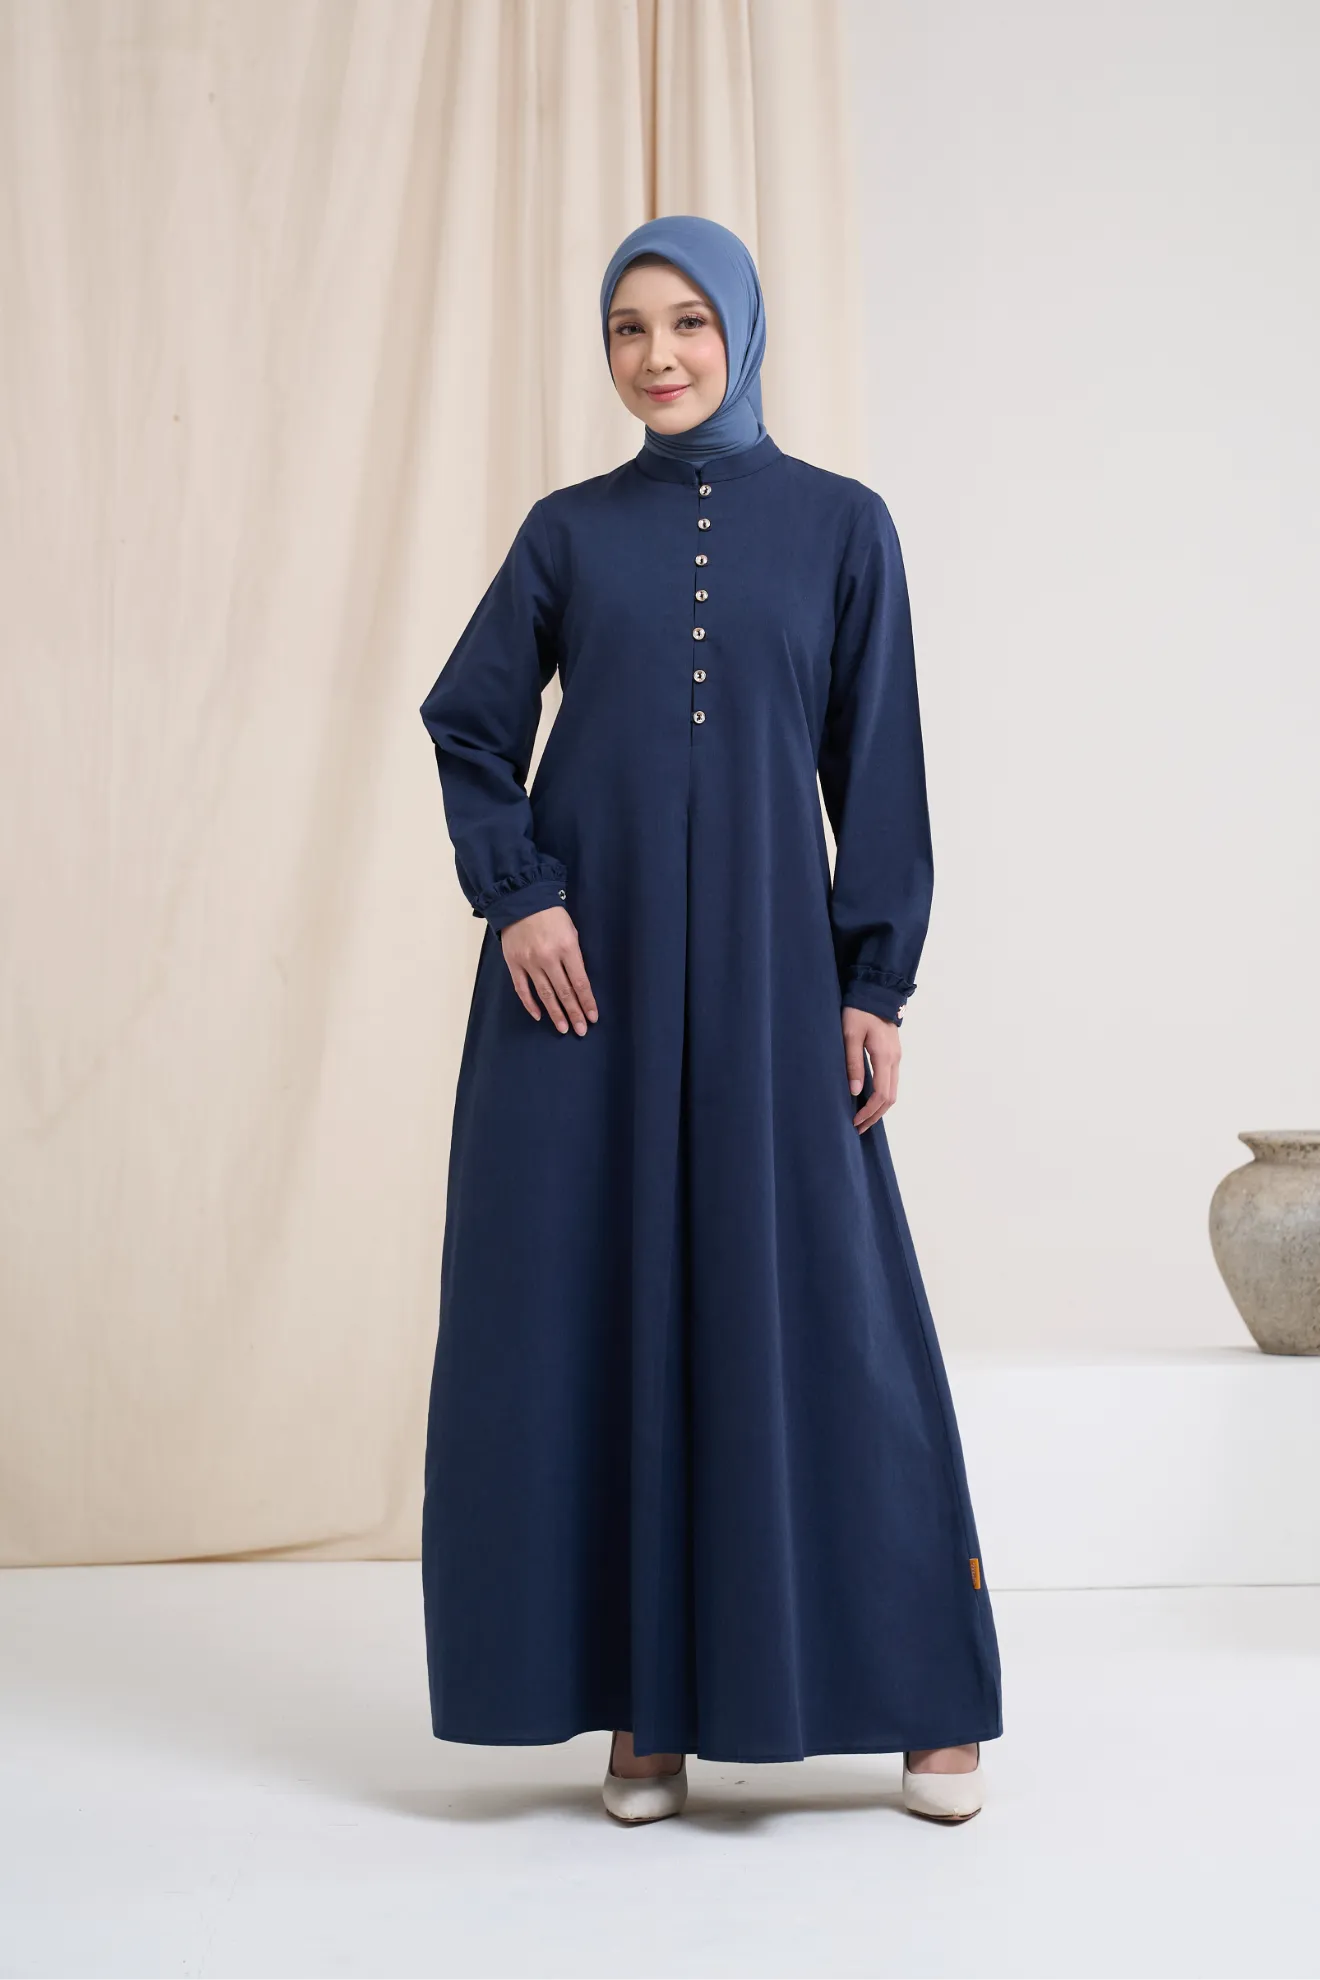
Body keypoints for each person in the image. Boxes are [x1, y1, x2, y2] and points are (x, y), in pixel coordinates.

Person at [417, 214, 1003, 1827]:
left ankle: (927, 1700)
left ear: (741, 330)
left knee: (827, 1313)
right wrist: (519, 894)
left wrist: (874, 982)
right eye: (628, 327)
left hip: (768, 980)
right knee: (589, 1314)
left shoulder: (841, 528)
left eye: (686, 321)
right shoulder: (565, 534)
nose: (658, 355)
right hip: (580, 996)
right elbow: (469, 725)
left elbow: (877, 768)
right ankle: (646, 1708)